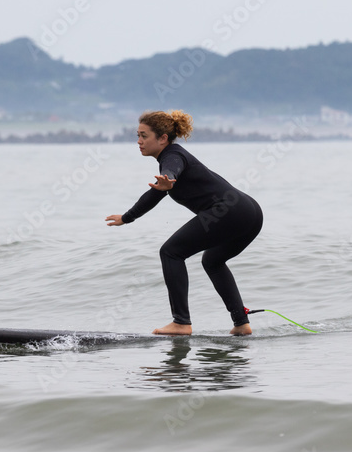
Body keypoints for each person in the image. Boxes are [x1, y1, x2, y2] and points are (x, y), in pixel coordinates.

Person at [106, 110, 263, 336]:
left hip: (228, 212)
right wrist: (127, 217)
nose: (138, 141)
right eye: (137, 135)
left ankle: (181, 322)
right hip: (250, 212)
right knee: (213, 261)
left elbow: (171, 171)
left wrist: (169, 179)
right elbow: (156, 193)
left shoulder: (172, 156)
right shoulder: (171, 160)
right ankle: (241, 323)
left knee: (171, 252)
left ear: (162, 139)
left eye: (144, 136)